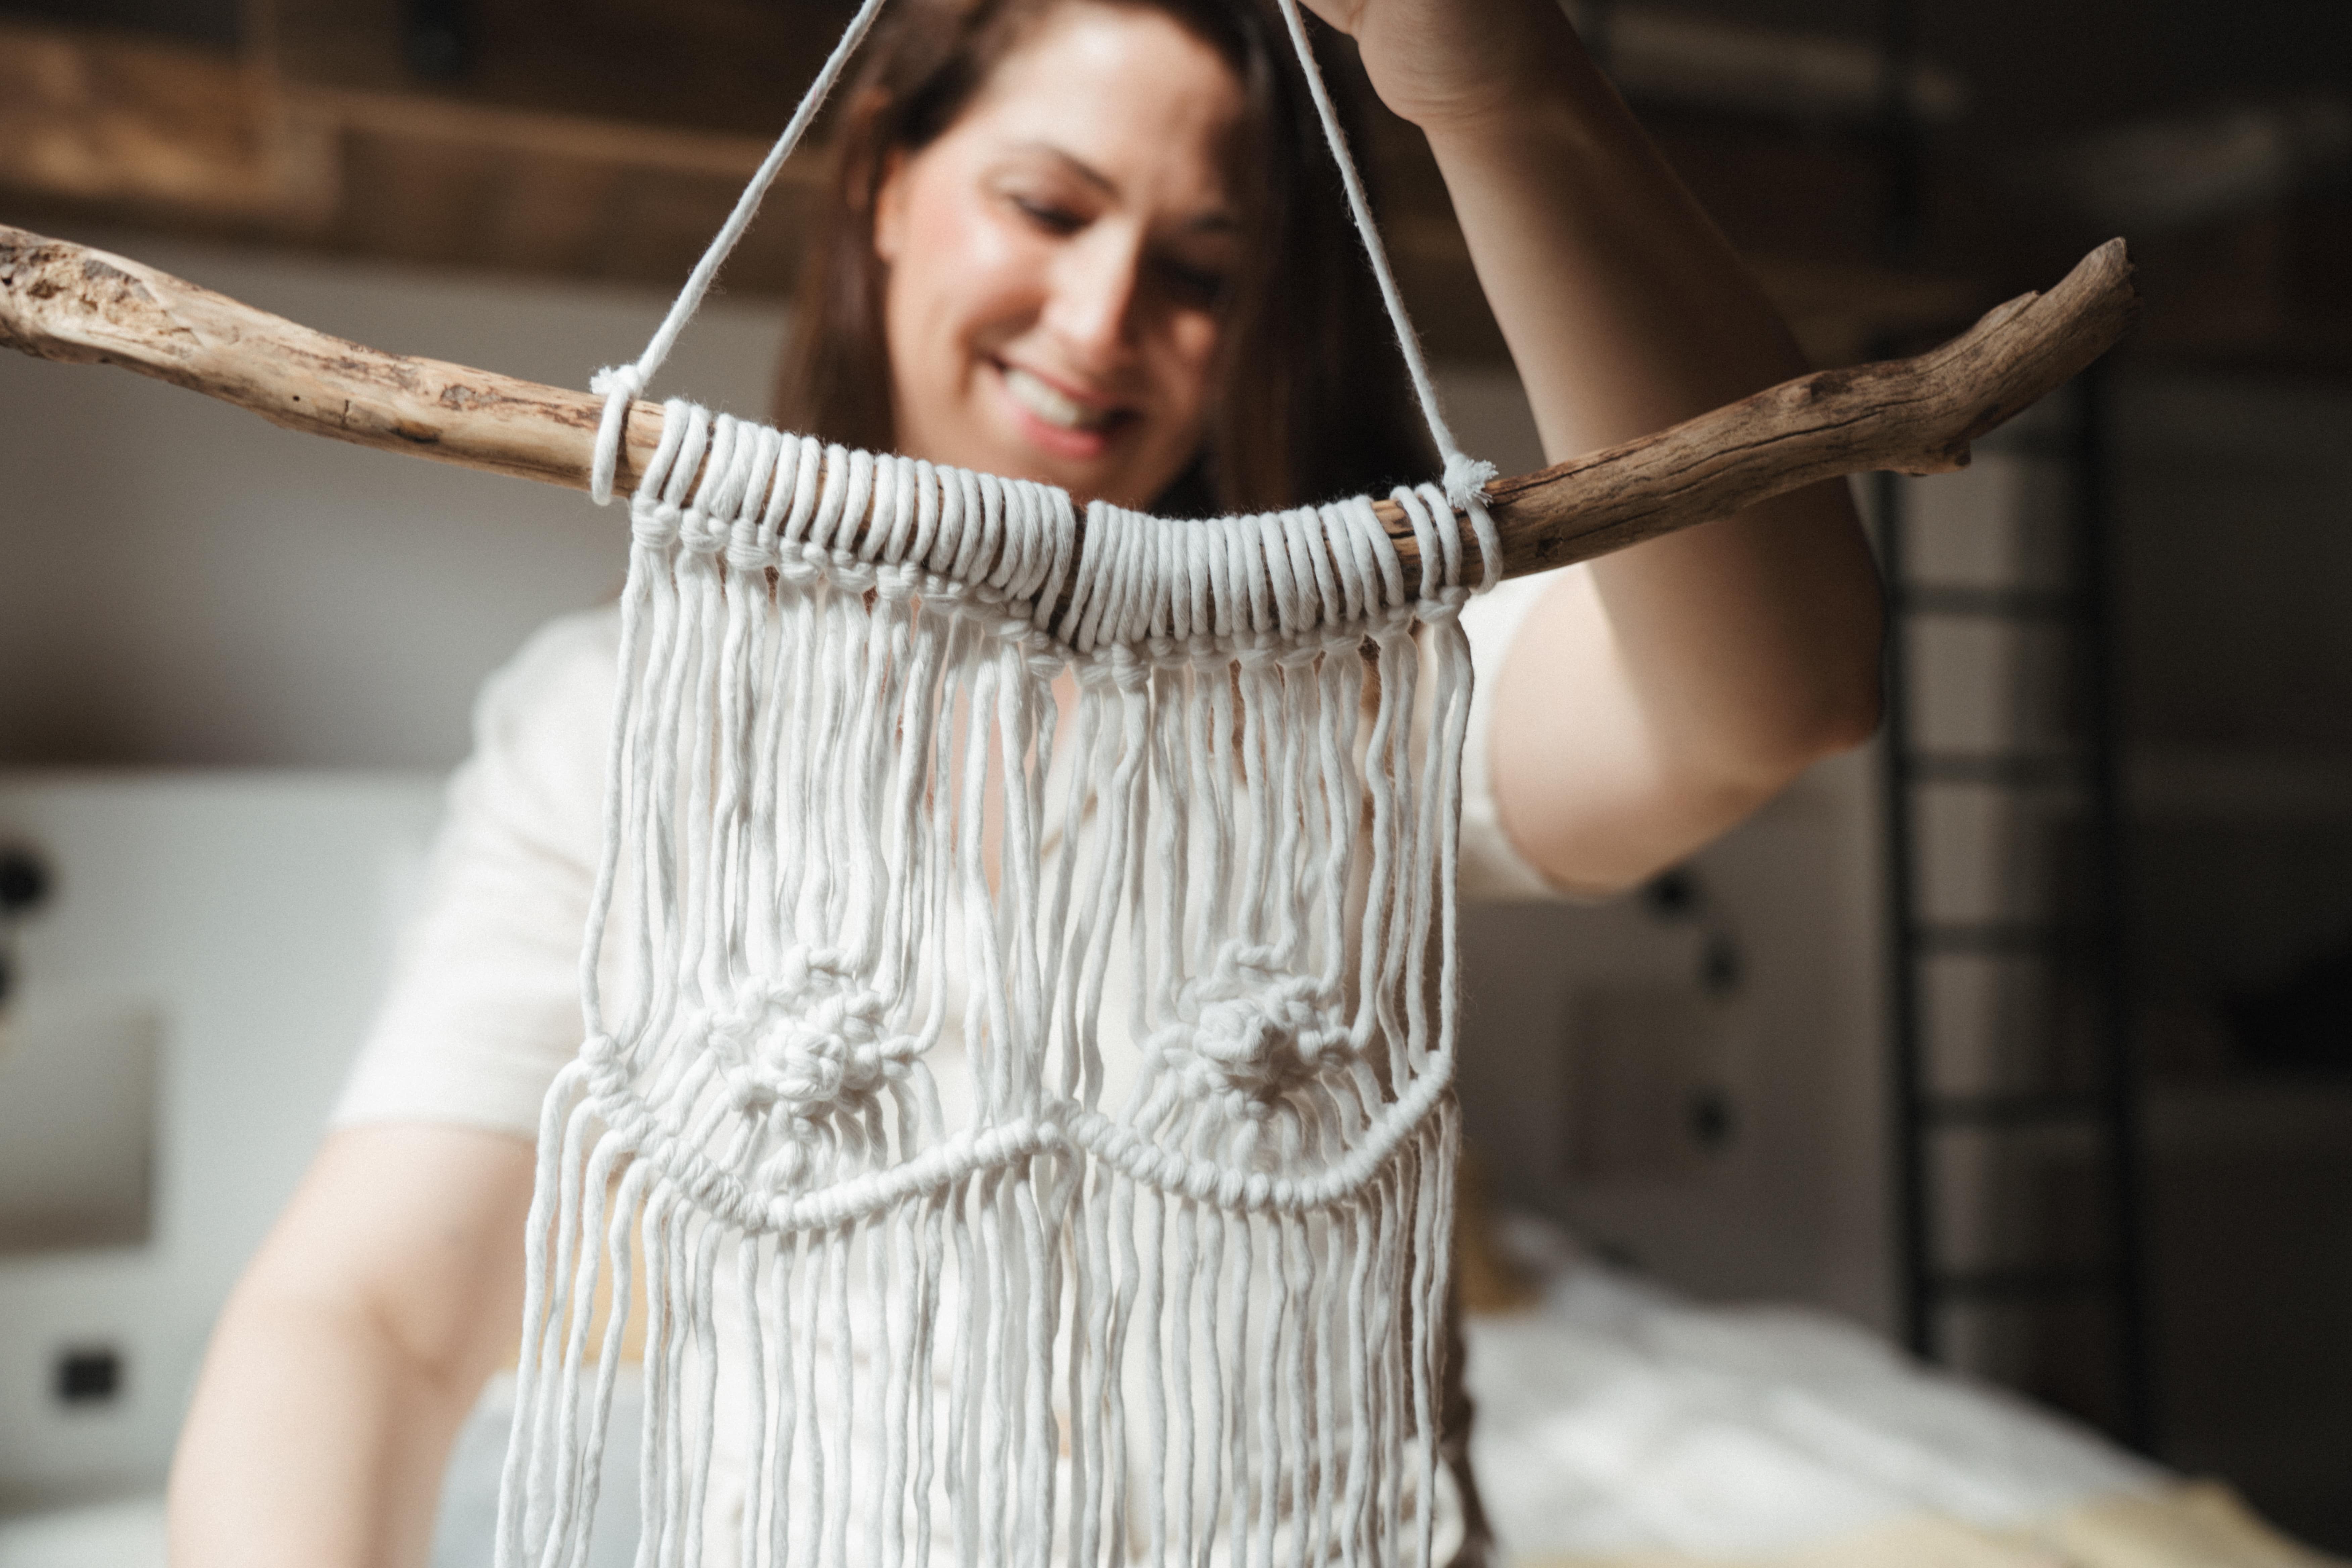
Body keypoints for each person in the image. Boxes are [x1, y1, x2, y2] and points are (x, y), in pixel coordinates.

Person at [167, 0, 1884, 1562]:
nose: (1103, 319)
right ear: (884, 184)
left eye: (1204, 270)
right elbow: (374, 1313)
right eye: (1049, 209)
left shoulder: (1355, 683)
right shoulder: (618, 721)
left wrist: (1500, 89)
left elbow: (1776, 692)